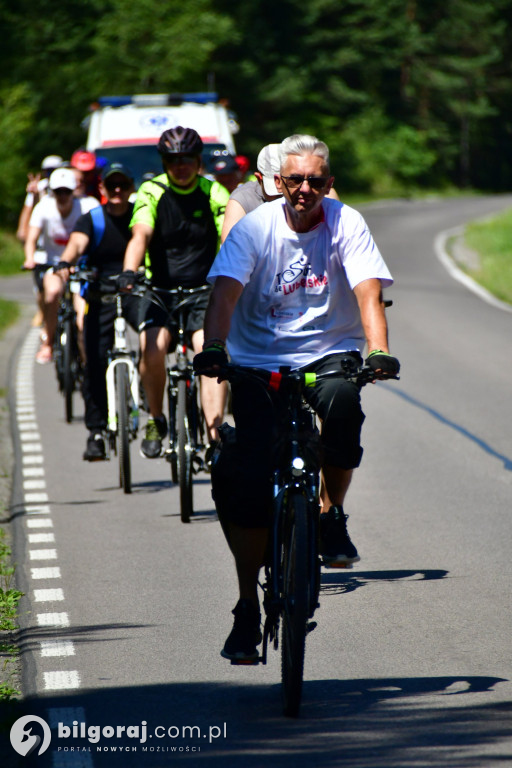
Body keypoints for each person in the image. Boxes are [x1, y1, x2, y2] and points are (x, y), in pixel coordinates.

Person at [193, 134, 400, 661]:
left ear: (329, 183)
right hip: (258, 358)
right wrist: (216, 348)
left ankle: (331, 514)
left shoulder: (346, 221)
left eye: (316, 180)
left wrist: (378, 352)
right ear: (277, 184)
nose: (305, 189)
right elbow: (224, 295)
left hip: (329, 351)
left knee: (343, 407)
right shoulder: (255, 229)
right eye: (294, 180)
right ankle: (246, 607)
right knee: (244, 481)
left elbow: (368, 291)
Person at [118, 125, 230, 460]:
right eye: (172, 160)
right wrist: (128, 271)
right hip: (160, 290)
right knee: (152, 347)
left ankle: (213, 437)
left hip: (203, 290)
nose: (180, 166)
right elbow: (140, 235)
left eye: (187, 159)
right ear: (164, 162)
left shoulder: (215, 192)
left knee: (207, 352)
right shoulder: (152, 191)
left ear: (198, 161)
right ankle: (156, 419)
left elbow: (230, 235)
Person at [52, 163, 139, 460]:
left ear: (130, 187)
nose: (117, 191)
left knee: (156, 340)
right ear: (101, 188)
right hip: (101, 294)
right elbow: (76, 244)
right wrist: (65, 262)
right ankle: (97, 431)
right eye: (111, 185)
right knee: (93, 360)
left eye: (123, 185)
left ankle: (155, 406)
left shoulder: (139, 216)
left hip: (135, 291)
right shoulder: (93, 219)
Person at [23, 168, 99, 363]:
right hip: (53, 265)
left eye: (67, 191)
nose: (63, 196)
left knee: (83, 318)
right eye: (58, 192)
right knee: (52, 294)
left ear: (74, 191)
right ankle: (47, 342)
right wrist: (30, 258)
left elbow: (101, 231)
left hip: (80, 266)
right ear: (52, 192)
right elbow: (30, 238)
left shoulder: (87, 206)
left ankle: (87, 364)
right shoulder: (44, 208)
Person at [221, 143, 340, 243]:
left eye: (294, 181)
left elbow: (338, 240)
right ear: (258, 179)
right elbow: (230, 250)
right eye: (276, 188)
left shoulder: (321, 194)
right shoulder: (242, 200)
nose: (282, 194)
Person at [17, 154, 63, 243]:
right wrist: (22, 230)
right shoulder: (39, 186)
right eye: (48, 171)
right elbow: (29, 208)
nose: (51, 175)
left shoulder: (67, 186)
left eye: (54, 171)